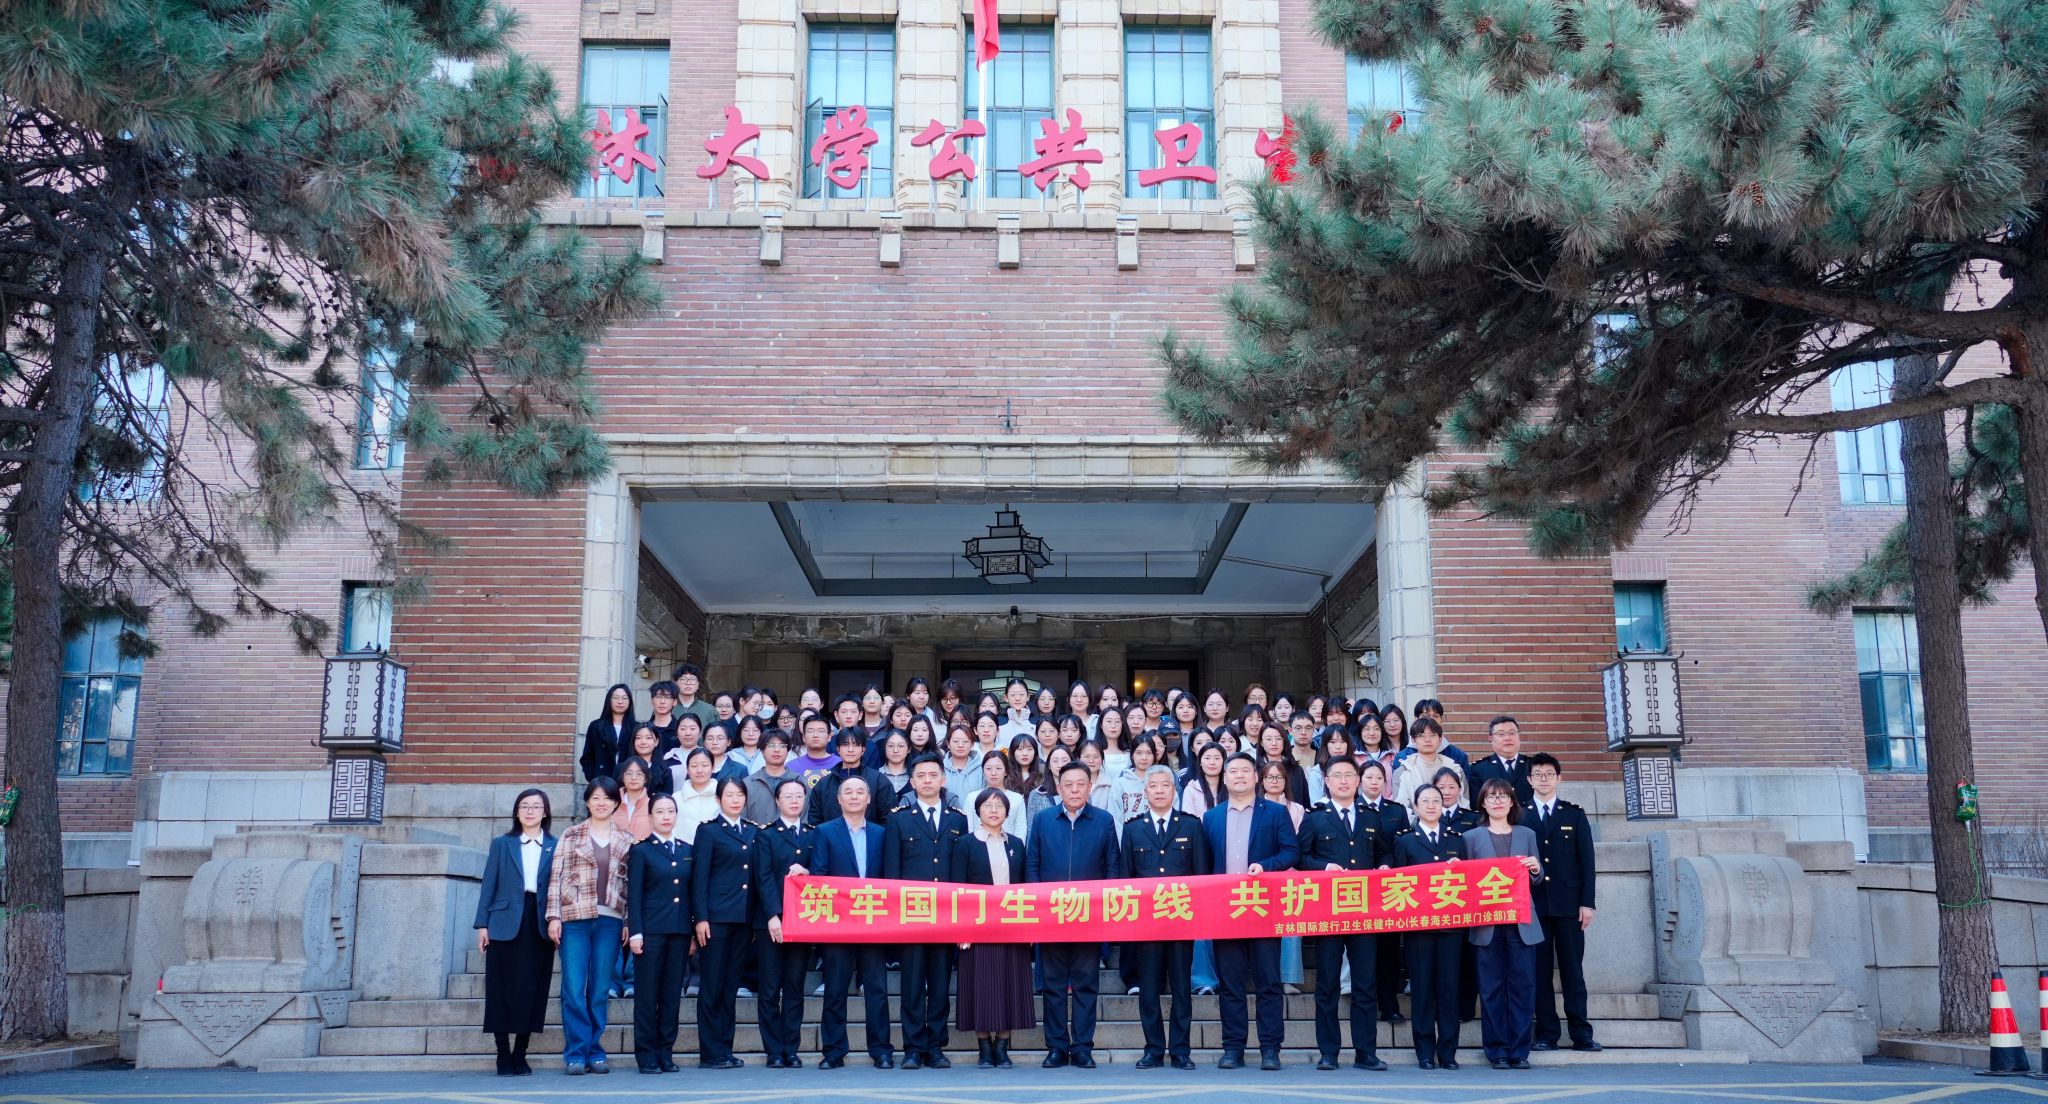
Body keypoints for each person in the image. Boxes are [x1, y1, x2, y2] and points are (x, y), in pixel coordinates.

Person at [1203, 753, 1298, 1070]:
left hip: (1263, 909)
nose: (1240, 776)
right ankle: (1233, 1048)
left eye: (1246, 770)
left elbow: (1291, 851)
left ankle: (1270, 1049)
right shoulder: (1212, 817)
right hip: (1225, 912)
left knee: (1268, 982)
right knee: (1230, 984)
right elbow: (1205, 865)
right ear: (1225, 778)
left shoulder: (1275, 812)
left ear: (1256, 777)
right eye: (1234, 771)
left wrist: (1266, 866)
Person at [1296, 758, 1390, 1072]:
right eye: (1337, 775)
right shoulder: (1315, 818)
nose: (1344, 781)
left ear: (1358, 780)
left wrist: (1385, 865)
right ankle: (1329, 1053)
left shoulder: (1370, 816)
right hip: (1328, 911)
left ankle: (1366, 1052)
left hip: (1364, 910)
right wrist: (1323, 867)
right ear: (1326, 781)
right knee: (1327, 985)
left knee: (1365, 984)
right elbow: (1301, 857)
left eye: (1350, 775)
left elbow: (1384, 851)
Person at [1027, 760, 1123, 1068]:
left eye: (1081, 784)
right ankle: (1056, 1046)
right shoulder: (1043, 820)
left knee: (1086, 985)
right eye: (1068, 784)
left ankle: (1082, 1047)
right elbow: (1032, 866)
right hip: (1051, 916)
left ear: (1090, 786)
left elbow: (1112, 869)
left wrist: (1105, 911)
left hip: (1089, 917)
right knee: (1053, 986)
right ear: (1058, 787)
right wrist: (1038, 908)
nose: (1074, 789)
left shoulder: (1104, 821)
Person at [1120, 764, 1209, 1070]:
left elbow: (1201, 877)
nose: (1159, 791)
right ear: (1145, 792)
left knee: (1182, 988)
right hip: (1147, 924)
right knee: (1148, 990)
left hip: (1182, 921)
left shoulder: (1191, 826)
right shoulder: (1133, 829)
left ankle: (1181, 1051)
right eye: (1153, 786)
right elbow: (1126, 880)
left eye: (1165, 785)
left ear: (1174, 790)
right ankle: (1153, 1049)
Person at [884, 756, 970, 1068]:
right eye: (921, 776)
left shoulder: (957, 819)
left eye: (933, 775)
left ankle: (935, 1046)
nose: (928, 780)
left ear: (943, 779)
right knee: (911, 985)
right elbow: (891, 872)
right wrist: (894, 918)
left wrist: (962, 919)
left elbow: (962, 873)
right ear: (912, 781)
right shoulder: (898, 819)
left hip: (946, 917)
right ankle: (912, 1047)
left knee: (939, 984)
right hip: (912, 916)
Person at [546, 778, 630, 1076]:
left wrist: (628, 921)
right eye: (595, 797)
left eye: (607, 798)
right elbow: (555, 877)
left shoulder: (626, 839)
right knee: (573, 987)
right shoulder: (571, 835)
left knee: (599, 989)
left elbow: (630, 885)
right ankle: (575, 1053)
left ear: (615, 802)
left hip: (610, 920)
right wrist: (554, 917)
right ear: (587, 802)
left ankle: (595, 1050)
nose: (601, 803)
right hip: (574, 918)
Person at [809, 776, 895, 1068]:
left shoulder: (882, 833)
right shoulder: (824, 832)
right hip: (838, 923)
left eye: (860, 792)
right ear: (839, 799)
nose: (854, 796)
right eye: (848, 792)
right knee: (835, 989)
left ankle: (881, 1050)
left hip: (873, 920)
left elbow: (889, 878)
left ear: (869, 799)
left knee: (877, 989)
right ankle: (833, 1051)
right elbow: (819, 875)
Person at [1461, 778, 1546, 1069]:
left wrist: (1536, 868)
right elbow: (1466, 882)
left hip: (1522, 922)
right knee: (1491, 989)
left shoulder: (1527, 834)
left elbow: (1536, 877)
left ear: (1512, 802)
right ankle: (1496, 1050)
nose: (1497, 802)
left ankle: (1520, 1051)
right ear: (1483, 803)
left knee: (1523, 987)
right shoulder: (1471, 838)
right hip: (1487, 924)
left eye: (1503, 797)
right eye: (1491, 797)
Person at [475, 788, 556, 1076]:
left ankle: (521, 1052)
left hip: (539, 921)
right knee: (501, 987)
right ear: (517, 812)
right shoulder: (502, 844)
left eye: (536, 806)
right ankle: (502, 1053)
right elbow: (489, 884)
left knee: (533, 988)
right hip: (504, 920)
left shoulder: (556, 845)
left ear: (545, 812)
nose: (530, 811)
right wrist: (482, 924)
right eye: (524, 806)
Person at [952, 786, 1034, 1068]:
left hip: (1012, 927)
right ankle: (984, 1049)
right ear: (978, 811)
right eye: (988, 805)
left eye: (999, 806)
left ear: (1007, 812)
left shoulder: (1017, 844)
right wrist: (962, 930)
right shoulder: (965, 844)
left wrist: (1028, 928)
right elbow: (958, 890)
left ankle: (1002, 1047)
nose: (994, 810)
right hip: (977, 929)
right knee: (981, 988)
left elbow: (1025, 888)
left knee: (1010, 986)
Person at [1526, 752, 1600, 1052]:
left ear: (1559, 778)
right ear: (1529, 780)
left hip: (1570, 905)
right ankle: (1547, 1033)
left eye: (1549, 774)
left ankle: (1581, 1032)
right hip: (1534, 906)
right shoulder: (1521, 814)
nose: (1543, 779)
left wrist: (1587, 903)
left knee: (1573, 970)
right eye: (1538, 774)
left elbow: (1587, 862)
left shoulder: (1574, 814)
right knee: (1540, 972)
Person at [1394, 784, 1465, 1069]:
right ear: (1415, 806)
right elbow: (1398, 883)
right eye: (1425, 801)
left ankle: (1448, 1052)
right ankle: (1424, 1051)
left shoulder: (1457, 840)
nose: (1432, 805)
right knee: (1422, 990)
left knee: (1449, 990)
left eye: (1436, 800)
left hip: (1451, 928)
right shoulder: (1405, 841)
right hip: (1418, 929)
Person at [690, 778, 759, 1068]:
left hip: (743, 920)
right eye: (729, 795)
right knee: (712, 985)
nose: (735, 799)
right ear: (718, 800)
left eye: (739, 795)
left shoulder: (753, 831)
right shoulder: (708, 831)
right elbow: (699, 877)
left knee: (730, 986)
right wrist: (700, 918)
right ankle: (710, 1052)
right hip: (715, 919)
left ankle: (725, 1049)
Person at [626, 794, 692, 1074]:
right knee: (647, 995)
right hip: (651, 932)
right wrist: (636, 932)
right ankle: (646, 1055)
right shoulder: (641, 850)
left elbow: (690, 893)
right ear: (651, 817)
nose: (666, 816)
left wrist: (692, 931)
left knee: (671, 995)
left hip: (679, 931)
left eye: (670, 811)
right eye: (660, 812)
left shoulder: (687, 849)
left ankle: (666, 1051)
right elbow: (634, 895)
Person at [756, 777, 814, 1068]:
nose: (794, 800)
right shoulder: (766, 835)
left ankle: (791, 1048)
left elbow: (823, 873)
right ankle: (773, 1050)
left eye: (799, 796)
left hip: (802, 922)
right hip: (771, 922)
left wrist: (809, 871)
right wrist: (772, 915)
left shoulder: (814, 834)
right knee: (769, 989)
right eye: (788, 796)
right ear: (777, 801)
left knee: (794, 986)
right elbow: (763, 877)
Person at [1358, 760, 1409, 1024]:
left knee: (1389, 951)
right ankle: (1365, 1004)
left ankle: (1389, 1006)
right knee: (1364, 953)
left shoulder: (1396, 811)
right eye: (1369, 777)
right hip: (1358, 892)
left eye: (1379, 777)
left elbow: (1401, 846)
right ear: (1360, 781)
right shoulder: (1352, 808)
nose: (1375, 782)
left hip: (1390, 889)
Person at [1258, 760, 1309, 995]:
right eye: (1270, 777)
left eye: (1279, 777)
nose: (1274, 781)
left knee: (1291, 926)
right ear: (1261, 781)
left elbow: (1296, 845)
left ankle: (1288, 978)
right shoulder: (1254, 806)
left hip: (1290, 875)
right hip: (1259, 875)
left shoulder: (1297, 809)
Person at [805, 727, 895, 826]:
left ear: (863, 749)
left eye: (856, 745)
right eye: (846, 744)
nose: (850, 750)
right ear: (838, 749)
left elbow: (889, 820)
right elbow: (815, 823)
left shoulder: (879, 781)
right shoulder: (823, 784)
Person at [1391, 717, 1464, 814]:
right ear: (1413, 740)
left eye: (1432, 735)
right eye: (1421, 735)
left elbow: (1464, 804)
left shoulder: (1454, 769)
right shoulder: (1402, 771)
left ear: (1440, 739)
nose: (1427, 740)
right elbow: (1401, 810)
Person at [1466, 715, 1536, 808]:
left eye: (1512, 733)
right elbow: (1477, 805)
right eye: (1501, 734)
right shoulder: (1479, 769)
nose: (1507, 738)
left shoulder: (1533, 766)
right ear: (1490, 739)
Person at [963, 749, 1028, 839]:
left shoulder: (1017, 799)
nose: (993, 773)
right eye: (988, 768)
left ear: (1006, 771)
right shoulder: (972, 798)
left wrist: (1016, 847)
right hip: (977, 846)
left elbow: (1020, 830)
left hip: (1008, 846)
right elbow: (967, 828)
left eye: (998, 768)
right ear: (983, 771)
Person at [583, 684, 635, 784]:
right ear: (609, 700)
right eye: (615, 698)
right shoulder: (596, 726)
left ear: (630, 702)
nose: (620, 701)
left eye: (624, 698)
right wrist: (594, 778)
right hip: (602, 782)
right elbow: (587, 757)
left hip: (628, 783)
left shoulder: (636, 728)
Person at [743, 730, 798, 824]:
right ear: (762, 751)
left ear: (788, 751)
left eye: (782, 746)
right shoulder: (748, 784)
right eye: (771, 745)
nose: (776, 750)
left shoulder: (799, 782)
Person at [672, 748, 721, 842]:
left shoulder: (721, 797)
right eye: (694, 766)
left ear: (713, 768)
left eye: (705, 765)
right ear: (687, 769)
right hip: (683, 849)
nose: (699, 770)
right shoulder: (676, 798)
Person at [787, 713, 841, 785]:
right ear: (803, 738)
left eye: (821, 731)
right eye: (810, 731)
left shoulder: (841, 763)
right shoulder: (791, 766)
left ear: (829, 737)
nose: (815, 735)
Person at [1028, 744, 1071, 821]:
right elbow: (1031, 825)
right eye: (1055, 761)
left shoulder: (1082, 791)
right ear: (1049, 765)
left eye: (1064, 760)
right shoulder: (1036, 794)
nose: (1060, 765)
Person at [671, 663, 719, 730]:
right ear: (675, 683)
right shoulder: (667, 708)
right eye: (683, 679)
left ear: (698, 684)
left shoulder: (710, 710)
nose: (688, 683)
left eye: (692, 679)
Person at [942, 723, 983, 800]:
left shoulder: (982, 769)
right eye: (955, 741)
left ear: (972, 744)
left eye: (965, 741)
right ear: (948, 744)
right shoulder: (940, 769)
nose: (960, 745)